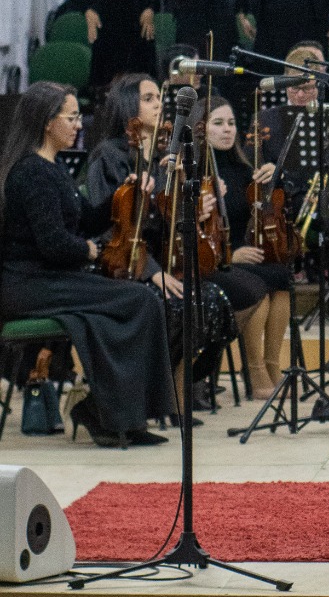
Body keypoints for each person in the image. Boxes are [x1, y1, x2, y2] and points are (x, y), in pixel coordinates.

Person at [0, 82, 174, 447]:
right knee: (139, 299)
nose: (79, 125)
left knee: (124, 306)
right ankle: (108, 414)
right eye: (72, 117)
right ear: (47, 122)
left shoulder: (53, 167)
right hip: (30, 284)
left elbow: (86, 220)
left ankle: (113, 416)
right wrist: (90, 251)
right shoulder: (31, 172)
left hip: (50, 280)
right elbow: (54, 245)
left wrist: (124, 194)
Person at [84, 72, 235, 408]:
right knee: (182, 302)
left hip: (159, 261)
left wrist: (185, 200)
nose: (159, 105)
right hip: (122, 265)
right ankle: (156, 392)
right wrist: (152, 271)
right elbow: (111, 227)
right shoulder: (110, 155)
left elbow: (169, 226)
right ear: (128, 106)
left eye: (158, 98)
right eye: (148, 98)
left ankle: (177, 387)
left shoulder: (163, 157)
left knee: (212, 298)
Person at [205, 97, 292, 397]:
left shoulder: (244, 169)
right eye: (218, 123)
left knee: (281, 276)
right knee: (257, 284)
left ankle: (272, 365)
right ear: (200, 129)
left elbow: (271, 209)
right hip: (214, 259)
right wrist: (231, 255)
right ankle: (254, 370)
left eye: (231, 123)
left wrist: (274, 178)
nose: (227, 130)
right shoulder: (197, 172)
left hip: (245, 254)